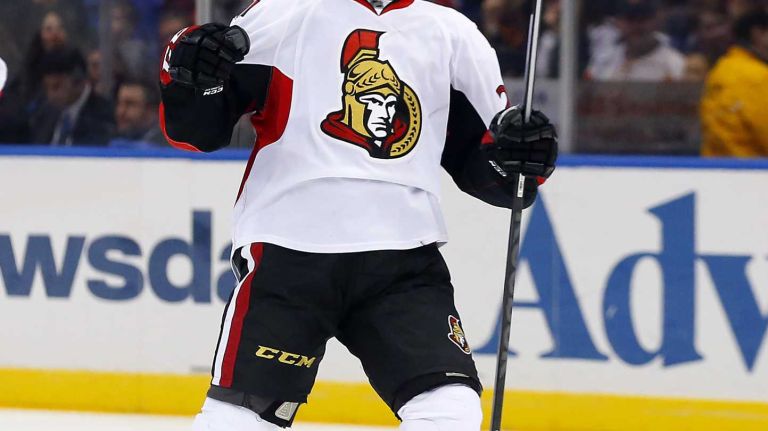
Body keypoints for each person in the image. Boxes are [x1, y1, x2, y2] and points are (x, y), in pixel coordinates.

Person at [159, 0, 558, 430]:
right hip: (289, 256)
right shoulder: (284, 11)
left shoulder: (454, 35)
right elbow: (197, 131)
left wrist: (521, 160)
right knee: (238, 418)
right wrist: (189, 75)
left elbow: (488, 169)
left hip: (403, 265)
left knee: (450, 410)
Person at [701, 9, 768, 157]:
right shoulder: (757, 76)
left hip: (715, 169)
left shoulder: (721, 68)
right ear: (758, 34)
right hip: (752, 171)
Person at [31, 46, 113, 146]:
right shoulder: (43, 114)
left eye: (56, 87)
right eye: (46, 87)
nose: (50, 95)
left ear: (78, 81)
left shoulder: (104, 116)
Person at [587, 0, 686, 81]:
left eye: (643, 17)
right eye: (630, 18)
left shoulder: (676, 65)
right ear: (618, 21)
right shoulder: (603, 60)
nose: (636, 25)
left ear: (658, 18)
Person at [110, 80, 165, 147]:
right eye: (119, 103)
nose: (120, 111)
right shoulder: (109, 139)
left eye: (130, 104)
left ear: (151, 110)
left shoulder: (164, 147)